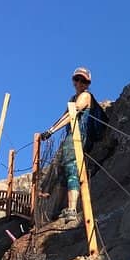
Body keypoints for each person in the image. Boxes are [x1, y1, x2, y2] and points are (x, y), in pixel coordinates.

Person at [41, 66, 95, 221]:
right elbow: (65, 116)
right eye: (77, 79)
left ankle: (72, 209)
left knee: (71, 168)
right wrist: (51, 129)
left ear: (87, 83)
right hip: (71, 135)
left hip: (78, 136)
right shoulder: (73, 98)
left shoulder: (85, 96)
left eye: (83, 81)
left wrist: (51, 130)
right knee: (64, 171)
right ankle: (63, 208)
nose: (79, 83)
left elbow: (73, 112)